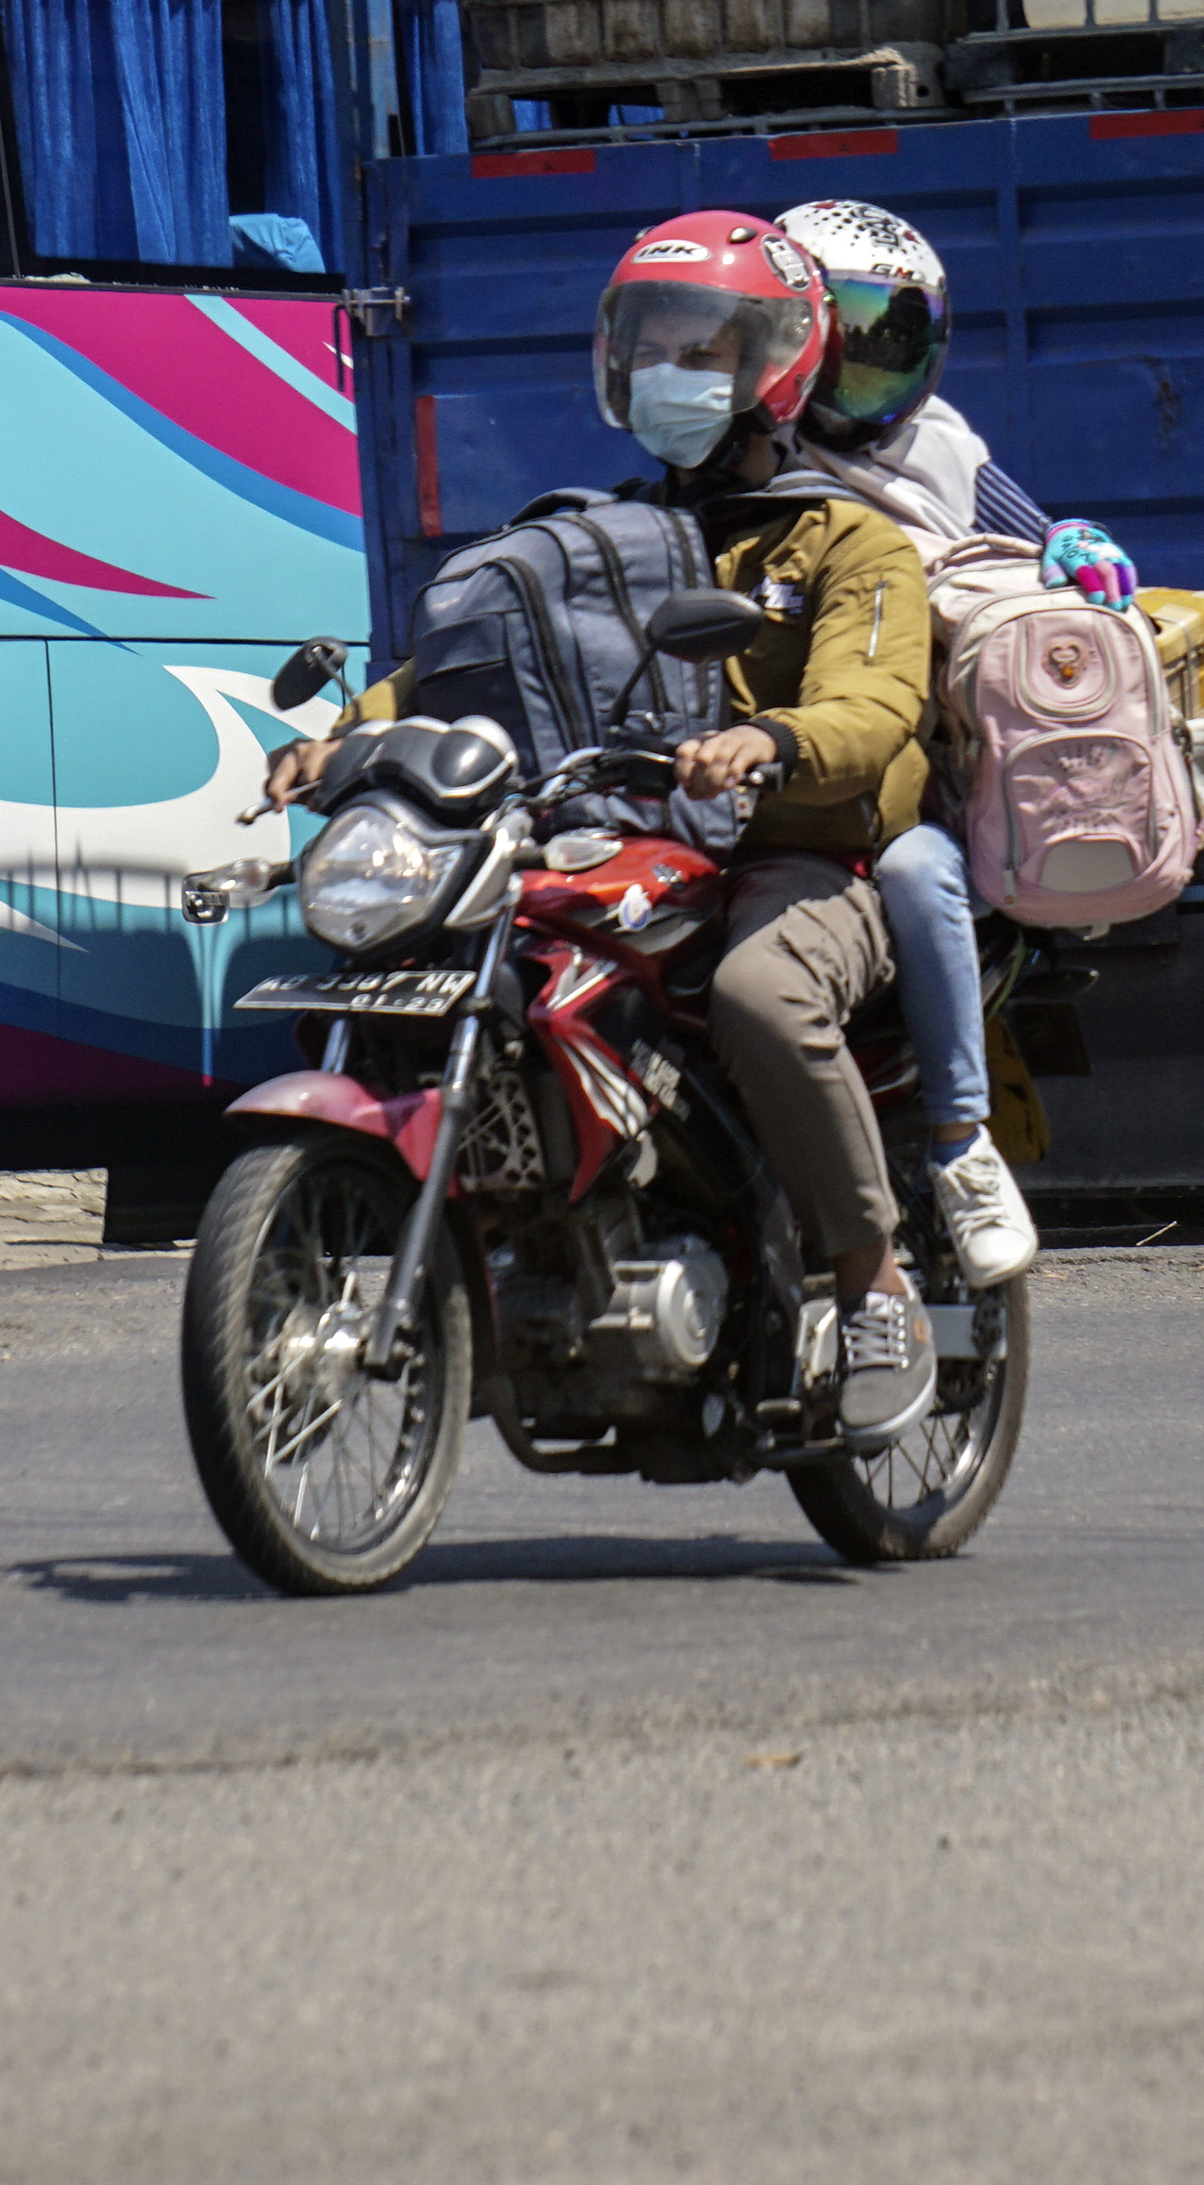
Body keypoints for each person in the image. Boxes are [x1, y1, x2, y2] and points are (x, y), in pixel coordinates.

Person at [268, 212, 942, 1437]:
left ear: (780, 360)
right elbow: (465, 670)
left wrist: (771, 739)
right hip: (627, 833)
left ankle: (871, 1274)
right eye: (653, 341)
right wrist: (345, 738)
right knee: (471, 948)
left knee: (759, 994)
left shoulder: (851, 540)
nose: (672, 368)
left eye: (706, 343)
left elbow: (878, 702)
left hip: (799, 849)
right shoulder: (595, 539)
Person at [773, 197, 1138, 1297]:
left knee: (917, 868)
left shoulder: (941, 446)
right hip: (764, 754)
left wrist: (1076, 552)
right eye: (847, 333)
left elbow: (1036, 542)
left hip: (904, 769)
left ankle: (959, 1143)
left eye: (895, 333)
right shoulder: (740, 447)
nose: (870, 363)